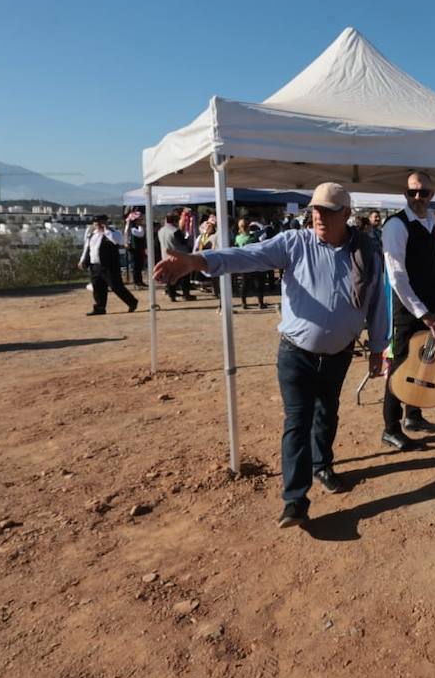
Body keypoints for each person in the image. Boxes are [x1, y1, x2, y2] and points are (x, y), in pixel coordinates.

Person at [153, 183, 386, 528]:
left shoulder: (366, 251)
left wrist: (380, 347)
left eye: (329, 210)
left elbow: (378, 302)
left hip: (339, 353)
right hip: (296, 354)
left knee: (327, 413)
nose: (319, 216)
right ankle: (295, 500)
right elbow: (248, 256)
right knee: (297, 422)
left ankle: (323, 466)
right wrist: (197, 261)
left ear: (347, 215)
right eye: (316, 210)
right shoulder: (295, 243)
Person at [382, 170, 435, 451]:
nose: (417, 197)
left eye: (423, 192)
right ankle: (390, 428)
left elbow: (434, 255)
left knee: (425, 361)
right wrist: (423, 312)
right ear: (405, 194)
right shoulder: (396, 226)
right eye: (412, 192)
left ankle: (414, 415)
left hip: (428, 305)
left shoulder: (430, 220)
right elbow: (397, 277)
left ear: (432, 194)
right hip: (410, 309)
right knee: (400, 366)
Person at [78, 214, 138, 316]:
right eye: (96, 223)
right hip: (95, 265)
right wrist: (82, 260)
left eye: (100, 223)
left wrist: (106, 231)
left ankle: (132, 302)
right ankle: (100, 307)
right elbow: (87, 248)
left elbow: (117, 241)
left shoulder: (113, 233)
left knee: (116, 286)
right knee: (98, 287)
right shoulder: (92, 235)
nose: (97, 225)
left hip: (109, 265)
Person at [156, 212, 195, 302]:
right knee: (184, 276)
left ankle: (171, 295)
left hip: (166, 256)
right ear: (175, 220)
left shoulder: (160, 230)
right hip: (179, 255)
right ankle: (186, 294)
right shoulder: (175, 231)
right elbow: (183, 242)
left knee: (170, 276)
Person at [125, 211, 149, 288]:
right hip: (134, 249)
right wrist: (141, 226)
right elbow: (141, 233)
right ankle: (136, 282)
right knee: (136, 266)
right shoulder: (133, 229)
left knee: (139, 266)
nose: (141, 221)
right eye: (139, 220)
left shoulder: (135, 228)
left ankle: (140, 281)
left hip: (139, 249)